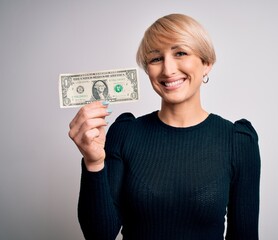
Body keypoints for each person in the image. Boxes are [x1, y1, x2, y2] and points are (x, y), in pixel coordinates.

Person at [69, 13, 261, 240]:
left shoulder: (238, 141)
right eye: (155, 59)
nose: (168, 70)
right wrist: (94, 162)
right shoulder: (125, 133)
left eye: (180, 53)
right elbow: (99, 234)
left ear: (206, 63)